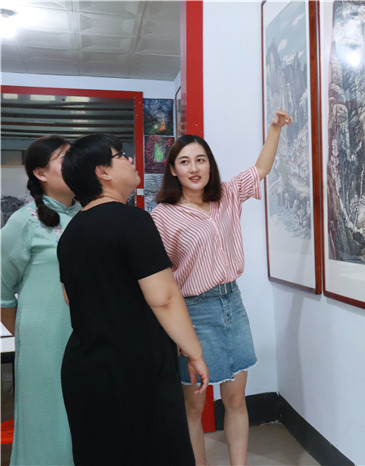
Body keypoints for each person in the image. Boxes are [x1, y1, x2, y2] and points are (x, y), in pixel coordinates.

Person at [57, 133, 209, 466]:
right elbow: (164, 298)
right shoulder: (133, 220)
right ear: (103, 172)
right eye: (121, 155)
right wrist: (195, 351)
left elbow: (70, 297)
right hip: (136, 370)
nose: (130, 160)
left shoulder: (70, 233)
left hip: (84, 369)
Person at [151, 110, 293, 465]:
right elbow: (162, 276)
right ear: (173, 170)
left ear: (210, 165)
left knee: (235, 399)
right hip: (192, 312)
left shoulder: (227, 195)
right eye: (185, 162)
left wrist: (275, 129)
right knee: (194, 406)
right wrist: (176, 332)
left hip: (232, 304)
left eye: (201, 159)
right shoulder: (163, 215)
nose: (194, 168)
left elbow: (260, 169)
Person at [1, 135, 80, 466]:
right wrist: (30, 334)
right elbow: (2, 292)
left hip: (88, 337)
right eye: (64, 158)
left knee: (84, 420)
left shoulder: (88, 214)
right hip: (43, 341)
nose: (75, 164)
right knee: (46, 420)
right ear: (40, 173)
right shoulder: (25, 221)